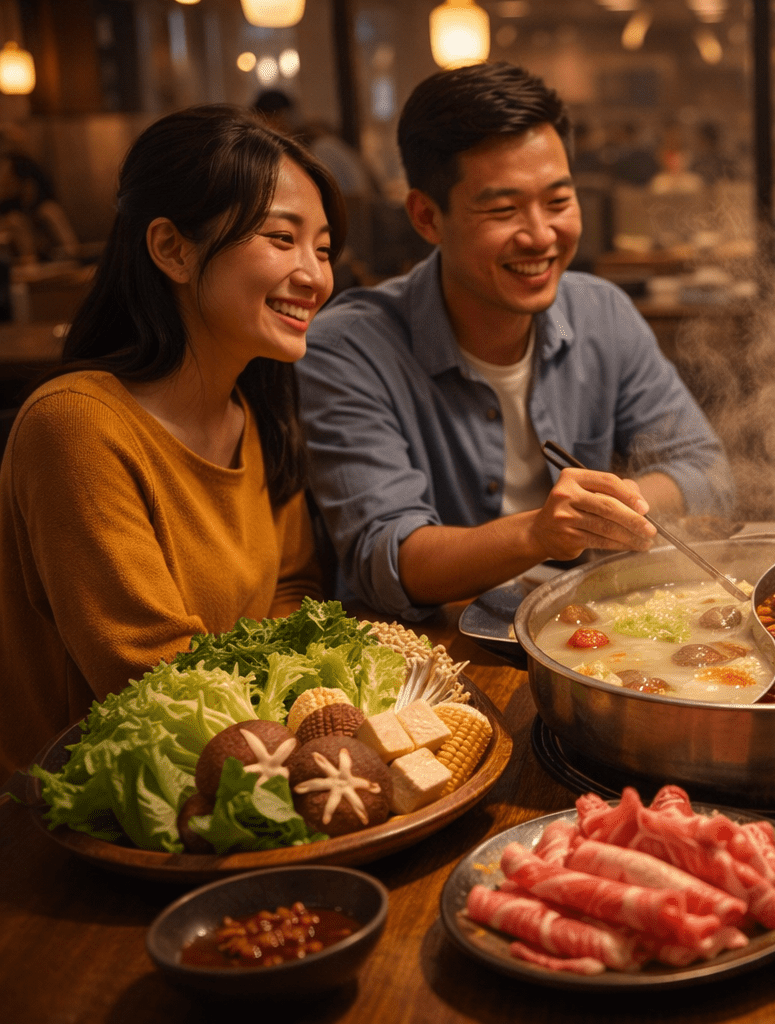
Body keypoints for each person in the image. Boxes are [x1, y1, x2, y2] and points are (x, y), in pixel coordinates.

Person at [298, 63, 733, 621]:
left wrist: (612, 508)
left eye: (558, 201)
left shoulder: (602, 313)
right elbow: (388, 557)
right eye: (503, 209)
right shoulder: (347, 348)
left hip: (587, 632)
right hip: (432, 656)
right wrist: (542, 531)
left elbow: (707, 469)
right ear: (427, 217)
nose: (541, 236)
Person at [0, 106, 337, 775]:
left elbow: (291, 591)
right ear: (172, 249)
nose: (315, 276)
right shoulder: (76, 425)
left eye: (323, 249)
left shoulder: (256, 406)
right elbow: (150, 675)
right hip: (92, 814)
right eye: (281, 239)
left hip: (238, 769)